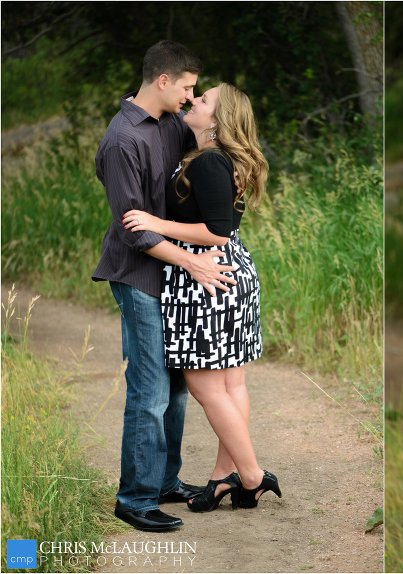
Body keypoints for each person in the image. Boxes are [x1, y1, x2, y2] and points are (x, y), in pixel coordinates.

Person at [93, 40, 237, 532]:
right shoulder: (121, 141)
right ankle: (133, 498)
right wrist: (192, 263)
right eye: (188, 87)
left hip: (173, 279)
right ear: (163, 81)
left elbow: (201, 172)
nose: (190, 97)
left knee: (174, 393)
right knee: (150, 392)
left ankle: (163, 482)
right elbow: (134, 228)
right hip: (139, 278)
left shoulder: (173, 125)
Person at [122, 82, 281, 513]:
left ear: (217, 121)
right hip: (224, 272)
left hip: (206, 273)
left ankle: (250, 475)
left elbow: (217, 229)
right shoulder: (212, 158)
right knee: (231, 383)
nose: (194, 100)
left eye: (204, 99)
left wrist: (155, 222)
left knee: (205, 384)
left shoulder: (210, 160)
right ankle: (223, 479)